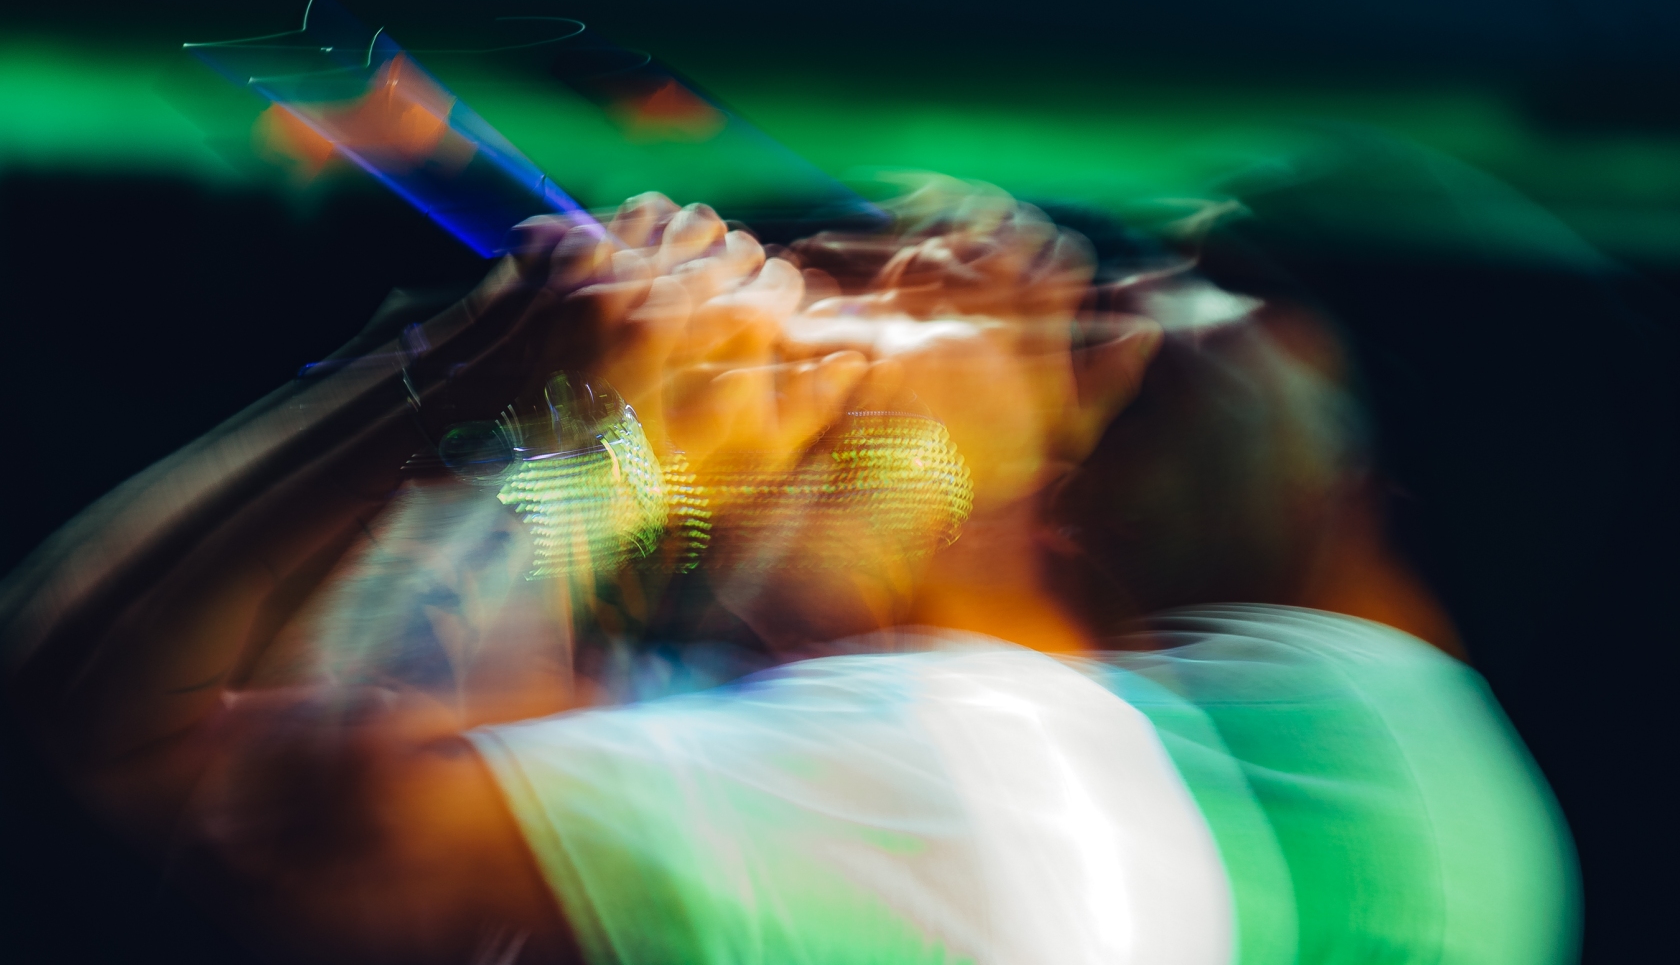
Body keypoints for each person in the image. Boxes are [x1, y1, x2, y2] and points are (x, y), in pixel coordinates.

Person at [0, 188, 1577, 964]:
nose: (1106, 310)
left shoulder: (985, 788)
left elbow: (153, 757)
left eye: (1116, 328)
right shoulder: (984, 763)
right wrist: (602, 449)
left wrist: (535, 417)